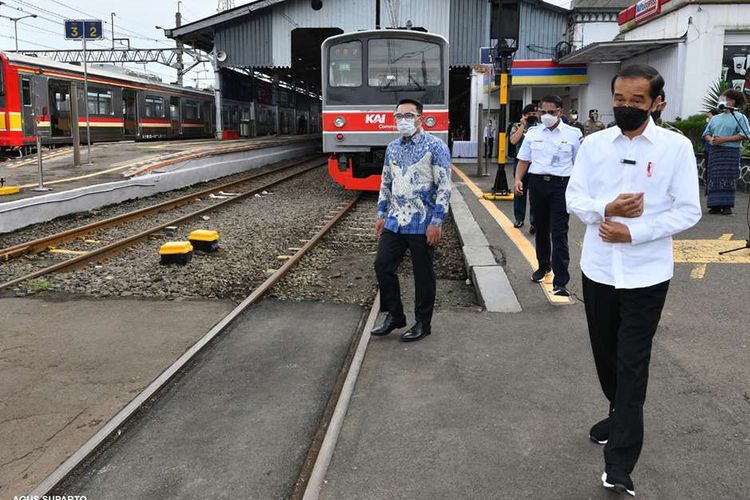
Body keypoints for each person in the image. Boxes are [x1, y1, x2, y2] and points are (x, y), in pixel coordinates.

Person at [566, 64, 701, 496]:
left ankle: (620, 463)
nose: (625, 107)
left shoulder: (675, 148)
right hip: (599, 270)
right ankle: (617, 411)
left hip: (647, 275)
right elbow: (575, 197)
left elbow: (688, 210)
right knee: (606, 358)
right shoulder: (592, 145)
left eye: (636, 101)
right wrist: (608, 209)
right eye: (619, 100)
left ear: (657, 103)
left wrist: (634, 231)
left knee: (631, 364)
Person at [371, 98, 452, 342]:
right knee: (382, 265)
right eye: (399, 116)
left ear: (420, 118)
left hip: (423, 222)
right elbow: (386, 181)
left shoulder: (435, 146)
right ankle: (395, 315)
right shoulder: (392, 147)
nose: (403, 121)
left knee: (423, 274)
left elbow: (444, 186)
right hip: (395, 220)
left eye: (408, 116)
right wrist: (381, 214)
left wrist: (437, 221)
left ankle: (422, 323)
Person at [514, 95, 582, 296]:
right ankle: (543, 266)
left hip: (561, 186)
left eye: (551, 112)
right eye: (543, 112)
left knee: (559, 231)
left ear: (560, 112)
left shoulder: (573, 134)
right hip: (537, 185)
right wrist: (518, 179)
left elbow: (580, 164)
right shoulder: (533, 133)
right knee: (540, 228)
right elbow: (524, 159)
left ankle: (561, 281)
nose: (546, 116)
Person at [702, 89, 749, 215]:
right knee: (714, 177)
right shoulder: (715, 118)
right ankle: (714, 205)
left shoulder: (740, 117)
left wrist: (723, 139)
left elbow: (745, 134)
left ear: (733, 101)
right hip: (715, 152)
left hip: (731, 152)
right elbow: (706, 133)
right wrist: (711, 139)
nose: (723, 101)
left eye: (727, 99)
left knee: (728, 177)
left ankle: (727, 205)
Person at [509, 104, 538, 232]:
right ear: (524, 115)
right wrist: (522, 125)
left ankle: (534, 222)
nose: (532, 116)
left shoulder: (541, 127)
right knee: (519, 192)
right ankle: (519, 218)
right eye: (529, 114)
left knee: (535, 195)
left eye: (534, 114)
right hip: (520, 163)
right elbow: (513, 141)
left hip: (536, 164)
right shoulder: (517, 126)